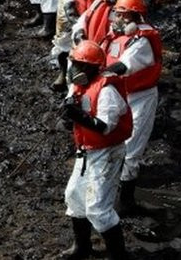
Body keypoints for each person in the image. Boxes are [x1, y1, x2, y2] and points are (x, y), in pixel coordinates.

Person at [59, 40, 131, 260]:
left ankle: (118, 255)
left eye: (80, 65)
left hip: (107, 152)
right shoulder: (79, 85)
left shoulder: (107, 89)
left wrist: (78, 116)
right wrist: (68, 117)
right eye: (74, 64)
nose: (76, 70)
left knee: (98, 208)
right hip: (87, 150)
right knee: (74, 197)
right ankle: (82, 248)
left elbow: (105, 127)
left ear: (92, 67)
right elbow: (73, 114)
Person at [98, 0, 162, 216]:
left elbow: (125, 65)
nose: (118, 20)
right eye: (118, 14)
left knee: (131, 149)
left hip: (140, 97)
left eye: (125, 16)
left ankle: (124, 200)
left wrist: (103, 74)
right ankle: (107, 187)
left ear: (136, 18)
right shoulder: (114, 35)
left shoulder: (142, 41)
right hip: (118, 93)